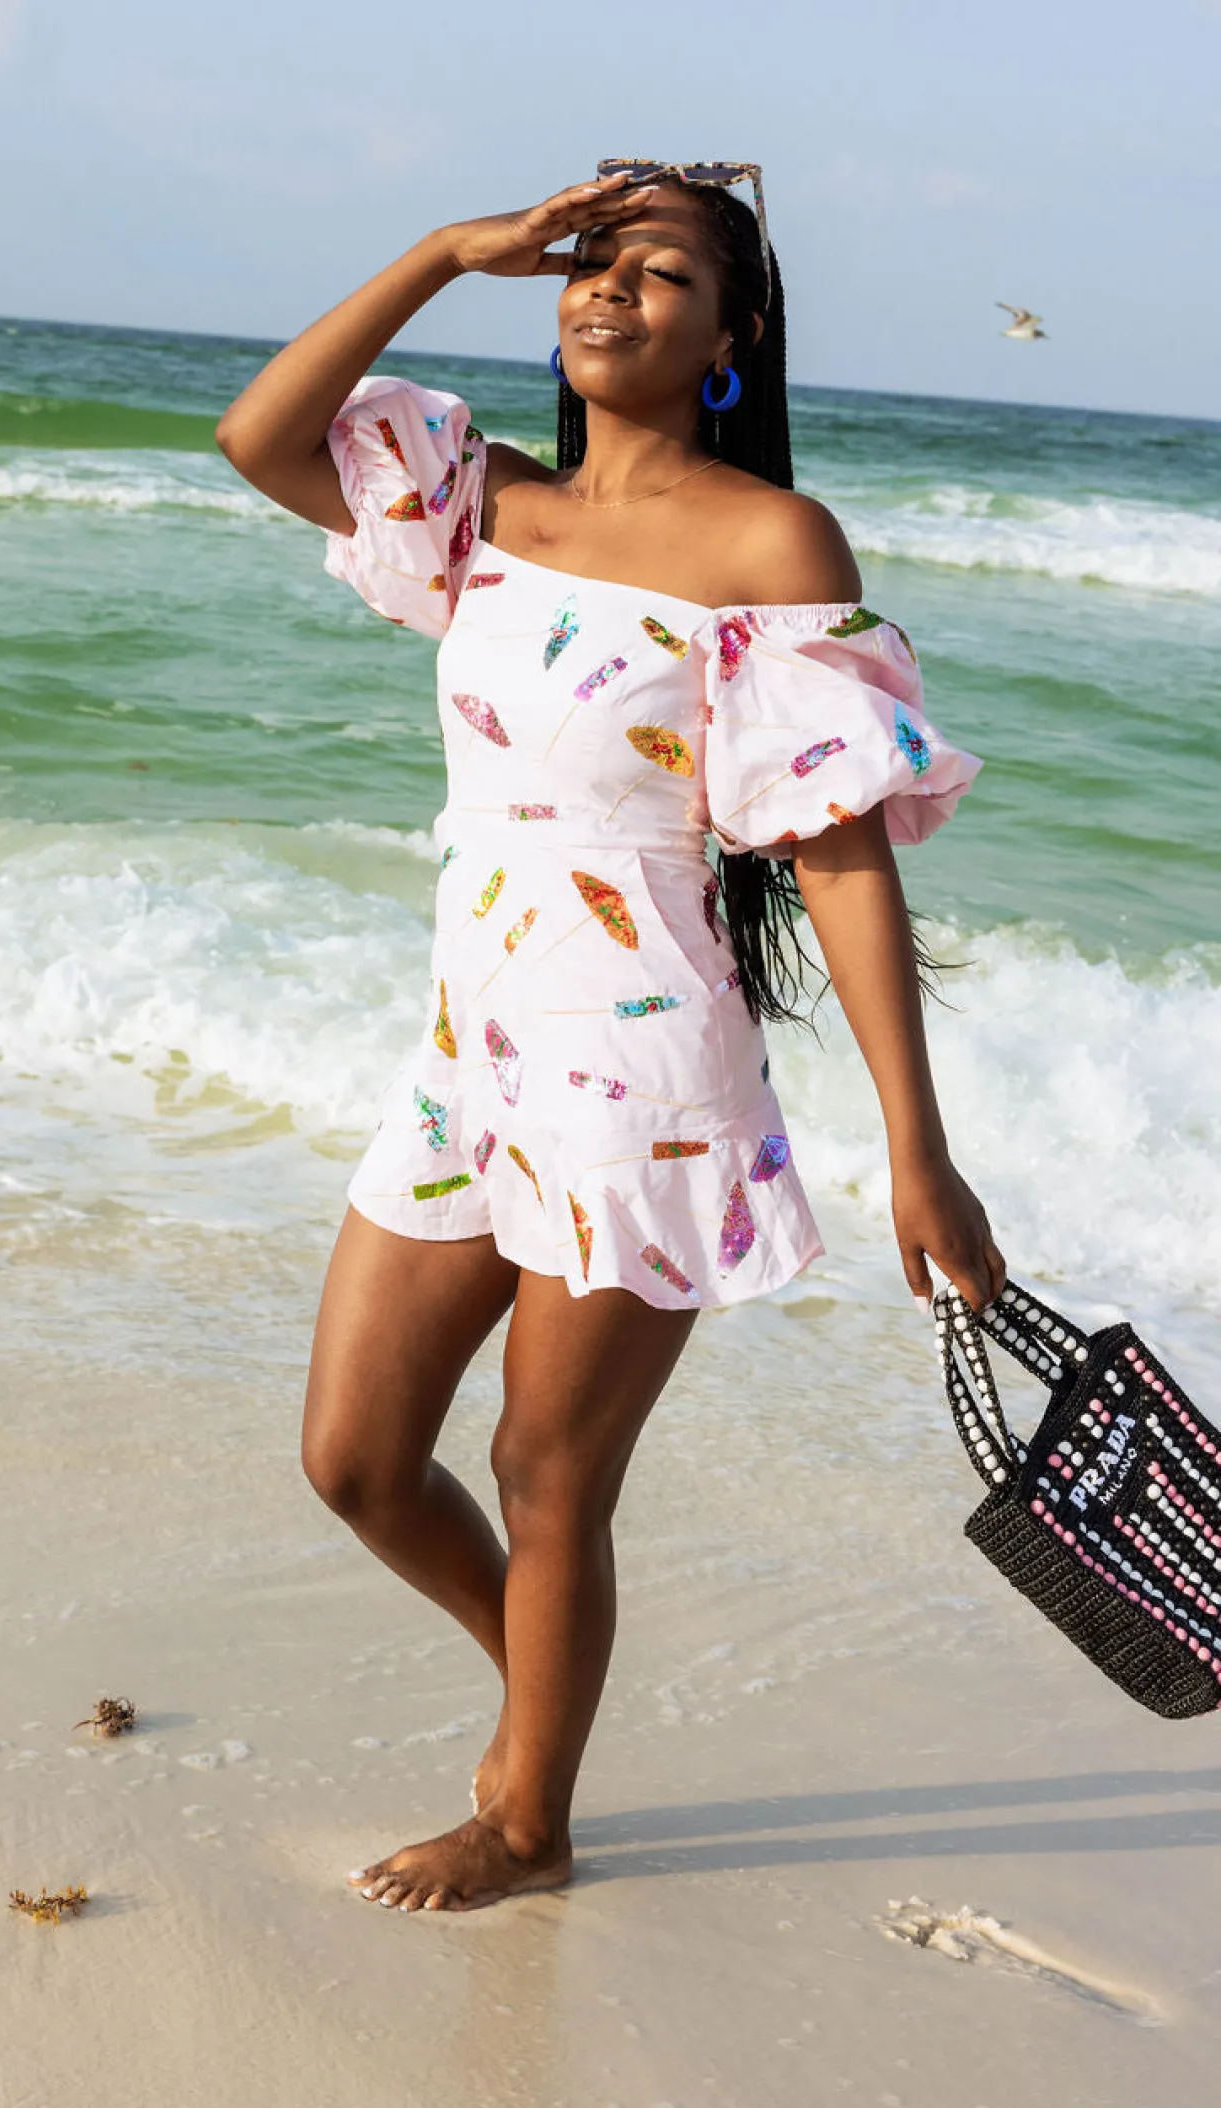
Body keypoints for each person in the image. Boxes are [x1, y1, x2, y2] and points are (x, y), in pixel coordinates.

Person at [215, 165, 1006, 1915]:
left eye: (664, 278)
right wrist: (439, 250)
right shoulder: (481, 502)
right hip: (471, 1058)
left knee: (540, 1466)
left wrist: (917, 1149)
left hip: (643, 1078)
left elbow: (844, 853)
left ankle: (529, 1818)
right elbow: (260, 436)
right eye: (592, 266)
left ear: (730, 342)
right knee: (354, 1455)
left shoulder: (768, 547)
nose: (610, 295)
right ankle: (544, 1697)